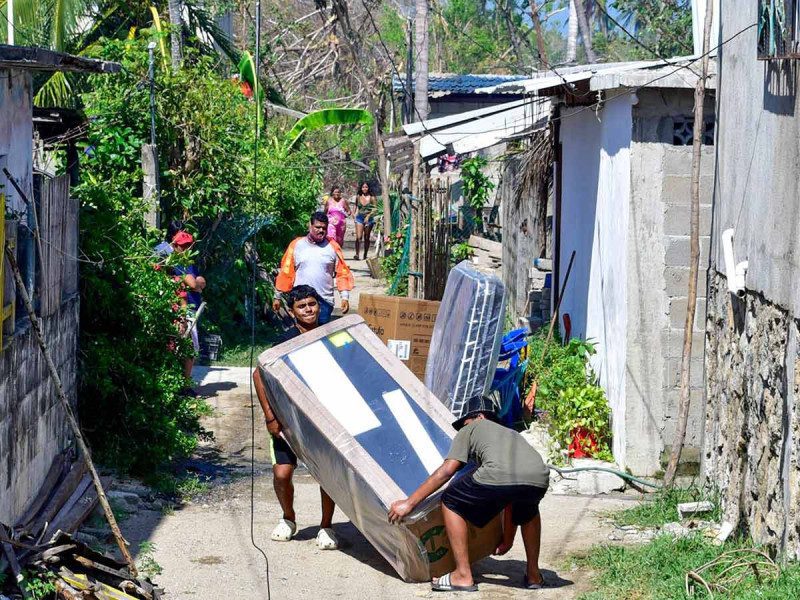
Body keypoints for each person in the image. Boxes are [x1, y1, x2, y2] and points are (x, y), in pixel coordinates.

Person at [388, 395, 550, 592]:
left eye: (465, 422)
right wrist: (507, 541)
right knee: (529, 510)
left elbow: (447, 471)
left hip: (499, 475)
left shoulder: (473, 427)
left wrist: (409, 503)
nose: (464, 427)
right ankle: (534, 575)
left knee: (451, 500)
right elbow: (511, 496)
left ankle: (463, 575)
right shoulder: (511, 433)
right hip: (539, 478)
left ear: (479, 417)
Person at [254, 284, 339, 550]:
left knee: (327, 476)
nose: (308, 310)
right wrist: (270, 417)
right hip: (287, 420)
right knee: (282, 474)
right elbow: (259, 375)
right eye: (302, 306)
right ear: (292, 312)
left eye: (312, 304)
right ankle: (288, 518)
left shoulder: (329, 336)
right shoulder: (284, 341)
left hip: (322, 420)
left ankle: (326, 526)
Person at [272, 211, 354, 325]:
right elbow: (286, 272)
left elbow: (342, 273)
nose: (321, 230)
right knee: (303, 334)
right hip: (301, 300)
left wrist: (345, 297)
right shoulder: (296, 245)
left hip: (324, 301)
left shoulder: (333, 246)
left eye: (324, 228)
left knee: (322, 334)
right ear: (309, 226)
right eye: (317, 227)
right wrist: (277, 297)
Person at [353, 181, 377, 261]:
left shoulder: (372, 197)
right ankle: (357, 254)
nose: (364, 189)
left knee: (366, 237)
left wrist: (368, 216)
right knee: (358, 237)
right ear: (361, 188)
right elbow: (355, 205)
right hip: (359, 218)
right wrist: (353, 213)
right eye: (363, 187)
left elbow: (375, 208)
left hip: (369, 219)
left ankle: (365, 254)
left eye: (366, 187)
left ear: (368, 188)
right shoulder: (358, 196)